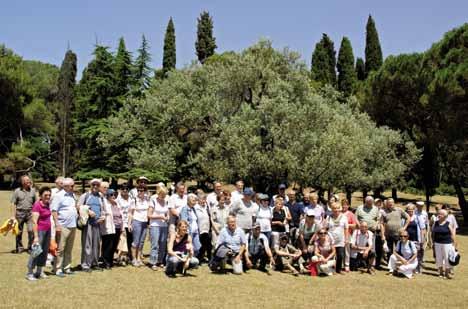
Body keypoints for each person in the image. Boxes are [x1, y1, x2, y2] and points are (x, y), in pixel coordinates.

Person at [51, 178, 78, 276]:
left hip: (73, 225)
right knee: (60, 248)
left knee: (69, 248)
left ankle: (67, 267)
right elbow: (54, 211)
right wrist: (57, 224)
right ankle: (58, 269)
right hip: (63, 225)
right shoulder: (58, 196)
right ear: (66, 186)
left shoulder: (73, 195)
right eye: (72, 186)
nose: (73, 187)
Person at [78, 178, 105, 272]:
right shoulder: (85, 196)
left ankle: (95, 263)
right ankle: (85, 265)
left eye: (97, 185)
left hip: (97, 224)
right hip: (88, 223)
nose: (95, 186)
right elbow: (78, 206)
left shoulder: (100, 196)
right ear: (90, 185)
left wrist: (103, 216)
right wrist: (88, 211)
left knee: (96, 244)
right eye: (93, 185)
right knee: (87, 244)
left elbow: (103, 209)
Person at [26, 187, 52, 281]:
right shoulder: (37, 205)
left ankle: (39, 271)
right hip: (40, 232)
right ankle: (29, 273)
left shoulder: (48, 204)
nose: (48, 197)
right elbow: (34, 222)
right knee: (36, 252)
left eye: (49, 195)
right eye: (46, 195)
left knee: (44, 251)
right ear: (40, 195)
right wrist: (36, 237)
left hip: (48, 231)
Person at [10, 175, 36, 253]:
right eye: (27, 180)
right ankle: (19, 247)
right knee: (18, 232)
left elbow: (36, 203)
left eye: (29, 180)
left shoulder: (33, 191)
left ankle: (30, 248)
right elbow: (13, 204)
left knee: (31, 230)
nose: (29, 181)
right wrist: (12, 216)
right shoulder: (17, 191)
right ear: (22, 182)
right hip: (19, 213)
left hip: (30, 213)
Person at [356, 196, 383, 268]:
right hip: (361, 231)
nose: (370, 205)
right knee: (362, 246)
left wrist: (376, 224)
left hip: (372, 230)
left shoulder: (375, 208)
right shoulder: (359, 208)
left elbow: (378, 219)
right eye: (368, 203)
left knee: (372, 248)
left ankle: (371, 265)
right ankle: (361, 263)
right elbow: (356, 218)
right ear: (365, 202)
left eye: (371, 203)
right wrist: (360, 226)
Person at [128, 186, 150, 267]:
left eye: (142, 190)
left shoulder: (147, 200)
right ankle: (133, 259)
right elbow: (130, 213)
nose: (140, 192)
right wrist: (129, 224)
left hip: (145, 222)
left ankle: (138, 258)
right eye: (139, 191)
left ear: (145, 191)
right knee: (136, 242)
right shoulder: (134, 200)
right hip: (136, 221)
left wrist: (149, 223)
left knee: (141, 242)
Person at [148, 187, 169, 270]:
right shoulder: (153, 201)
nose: (163, 196)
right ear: (158, 193)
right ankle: (153, 262)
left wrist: (167, 217)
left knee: (163, 244)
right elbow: (149, 215)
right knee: (155, 244)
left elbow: (167, 213)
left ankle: (160, 261)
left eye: (165, 195)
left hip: (164, 226)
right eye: (162, 194)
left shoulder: (166, 202)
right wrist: (160, 216)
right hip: (155, 225)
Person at [432, 209, 457, 279]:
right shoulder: (435, 223)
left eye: (441, 214)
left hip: (447, 244)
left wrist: (454, 245)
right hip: (437, 243)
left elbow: (452, 235)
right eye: (438, 214)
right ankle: (440, 272)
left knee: (446, 258)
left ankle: (446, 273)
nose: (439, 215)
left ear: (445, 216)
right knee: (438, 258)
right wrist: (432, 242)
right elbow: (433, 233)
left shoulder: (448, 224)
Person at [325, 202, 348, 274]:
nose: (336, 210)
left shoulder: (344, 217)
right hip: (331, 239)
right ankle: (330, 269)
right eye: (334, 208)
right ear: (331, 209)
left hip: (340, 240)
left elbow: (346, 228)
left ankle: (338, 269)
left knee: (340, 255)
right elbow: (325, 228)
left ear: (340, 208)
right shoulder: (328, 217)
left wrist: (346, 238)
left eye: (338, 208)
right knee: (330, 255)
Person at [100, 189, 120, 269]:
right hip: (108, 226)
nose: (113, 196)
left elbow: (120, 215)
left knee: (114, 245)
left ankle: (110, 261)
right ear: (107, 196)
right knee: (108, 245)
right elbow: (102, 212)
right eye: (111, 195)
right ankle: (105, 262)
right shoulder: (104, 203)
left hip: (117, 227)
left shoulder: (117, 203)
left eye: (115, 194)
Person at [403, 204, 426, 273]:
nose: (410, 212)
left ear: (414, 210)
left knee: (417, 254)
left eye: (411, 210)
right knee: (408, 253)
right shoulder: (404, 218)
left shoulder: (418, 217)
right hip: (406, 239)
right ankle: (408, 268)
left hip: (416, 238)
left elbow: (423, 228)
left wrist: (422, 239)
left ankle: (418, 268)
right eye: (408, 210)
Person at [195, 192, 214, 264]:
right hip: (199, 229)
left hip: (207, 229)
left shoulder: (206, 207)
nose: (203, 201)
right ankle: (199, 259)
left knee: (208, 245)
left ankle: (209, 259)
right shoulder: (196, 208)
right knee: (200, 245)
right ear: (198, 200)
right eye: (202, 199)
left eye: (204, 199)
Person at [116, 183, 132, 264]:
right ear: (120, 190)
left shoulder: (130, 199)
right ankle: (120, 256)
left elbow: (130, 212)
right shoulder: (117, 199)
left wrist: (129, 224)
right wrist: (122, 224)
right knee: (123, 239)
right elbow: (118, 212)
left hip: (128, 222)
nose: (125, 190)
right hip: (120, 222)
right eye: (123, 189)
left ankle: (124, 257)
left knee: (128, 240)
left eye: (126, 189)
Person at [342, 199, 357, 272]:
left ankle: (346, 265)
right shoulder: (339, 213)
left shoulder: (351, 214)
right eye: (343, 204)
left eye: (345, 204)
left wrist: (346, 225)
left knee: (346, 251)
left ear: (348, 206)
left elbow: (354, 225)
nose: (344, 206)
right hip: (339, 235)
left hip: (347, 234)